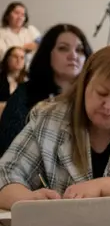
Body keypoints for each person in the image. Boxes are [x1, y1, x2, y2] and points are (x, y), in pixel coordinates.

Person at [0, 44, 110, 208]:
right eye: (101, 93)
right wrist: (29, 200)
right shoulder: (49, 118)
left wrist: (103, 186)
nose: (109, 106)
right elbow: (5, 173)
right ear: (84, 84)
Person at [0, 24, 92, 156]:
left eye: (80, 50)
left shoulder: (93, 96)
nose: (73, 55)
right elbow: (9, 147)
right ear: (48, 53)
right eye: (63, 48)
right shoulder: (25, 94)